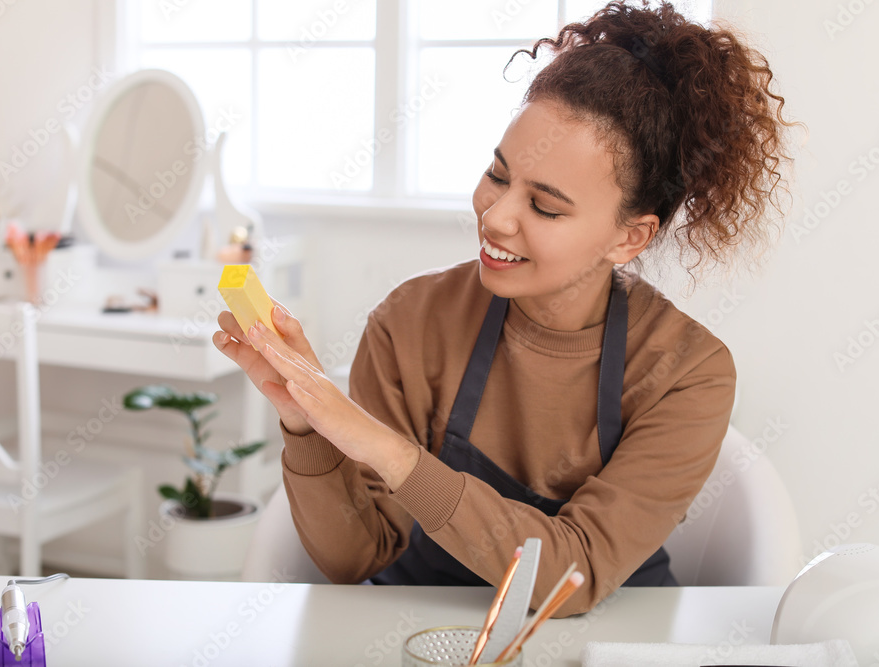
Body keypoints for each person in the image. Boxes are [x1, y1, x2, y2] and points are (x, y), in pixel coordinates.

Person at [213, 0, 798, 617]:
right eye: (498, 175)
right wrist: (306, 422)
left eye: (545, 207)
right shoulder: (412, 321)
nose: (495, 217)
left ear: (630, 237)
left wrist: (387, 450)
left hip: (600, 640)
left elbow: (574, 575)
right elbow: (358, 559)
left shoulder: (686, 371)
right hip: (420, 632)